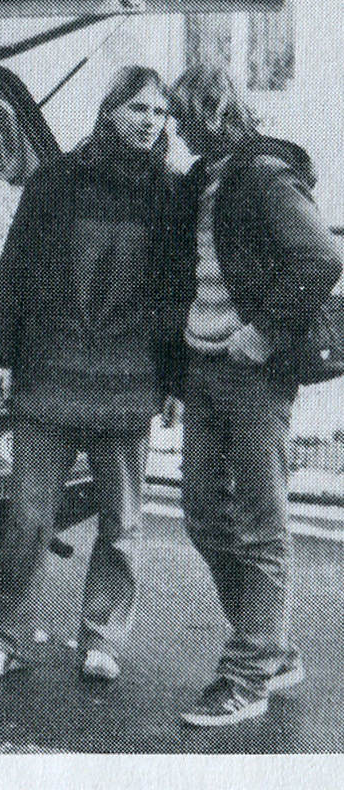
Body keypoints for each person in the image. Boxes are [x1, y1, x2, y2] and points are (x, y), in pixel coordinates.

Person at [0, 66, 177, 683]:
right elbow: (16, 269)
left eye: (160, 113)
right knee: (30, 517)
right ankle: (6, 634)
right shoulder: (57, 181)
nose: (150, 122)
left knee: (123, 521)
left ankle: (102, 638)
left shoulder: (170, 192)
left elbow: (174, 294)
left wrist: (172, 384)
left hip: (129, 375)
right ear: (109, 110)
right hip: (49, 371)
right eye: (138, 108)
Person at [164, 64, 342, 727]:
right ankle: (274, 648)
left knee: (261, 525)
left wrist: (265, 334)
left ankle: (247, 676)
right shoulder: (201, 181)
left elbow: (322, 257)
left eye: (183, 120)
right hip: (204, 365)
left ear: (212, 114)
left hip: (254, 373)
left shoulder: (263, 174)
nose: (176, 133)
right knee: (205, 515)